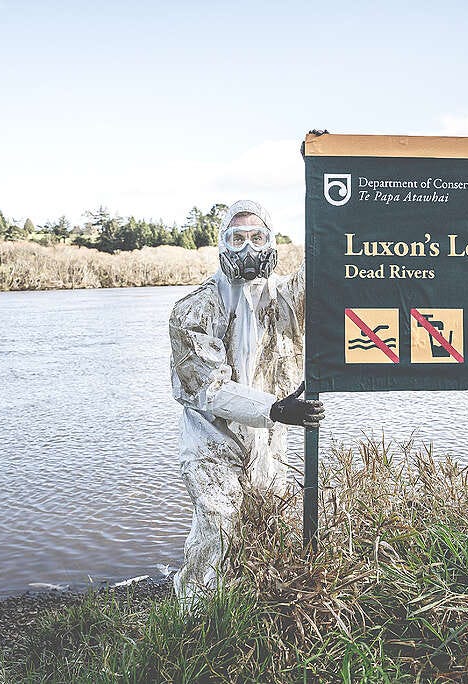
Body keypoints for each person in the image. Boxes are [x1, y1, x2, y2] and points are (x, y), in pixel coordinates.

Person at [168, 199, 324, 603]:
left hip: (269, 443)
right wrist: (274, 410)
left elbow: (327, 263)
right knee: (218, 525)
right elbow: (209, 388)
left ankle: (252, 619)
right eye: (237, 239)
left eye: (258, 237)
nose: (248, 249)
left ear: (272, 241)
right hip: (211, 443)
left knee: (267, 527)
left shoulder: (285, 298)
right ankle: (192, 621)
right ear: (222, 244)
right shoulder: (192, 311)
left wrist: (331, 189)